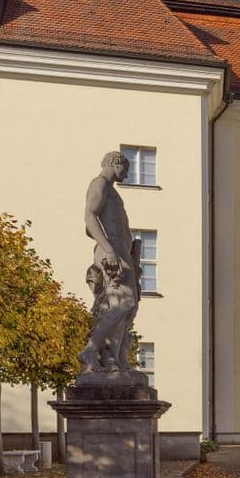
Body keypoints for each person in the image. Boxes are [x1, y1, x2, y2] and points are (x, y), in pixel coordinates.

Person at [77, 151, 141, 374]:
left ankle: (114, 360)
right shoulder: (100, 183)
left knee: (123, 308)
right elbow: (89, 218)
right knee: (126, 301)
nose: (127, 173)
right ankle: (90, 348)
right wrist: (109, 250)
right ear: (115, 163)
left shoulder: (110, 189)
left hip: (120, 251)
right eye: (126, 168)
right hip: (112, 251)